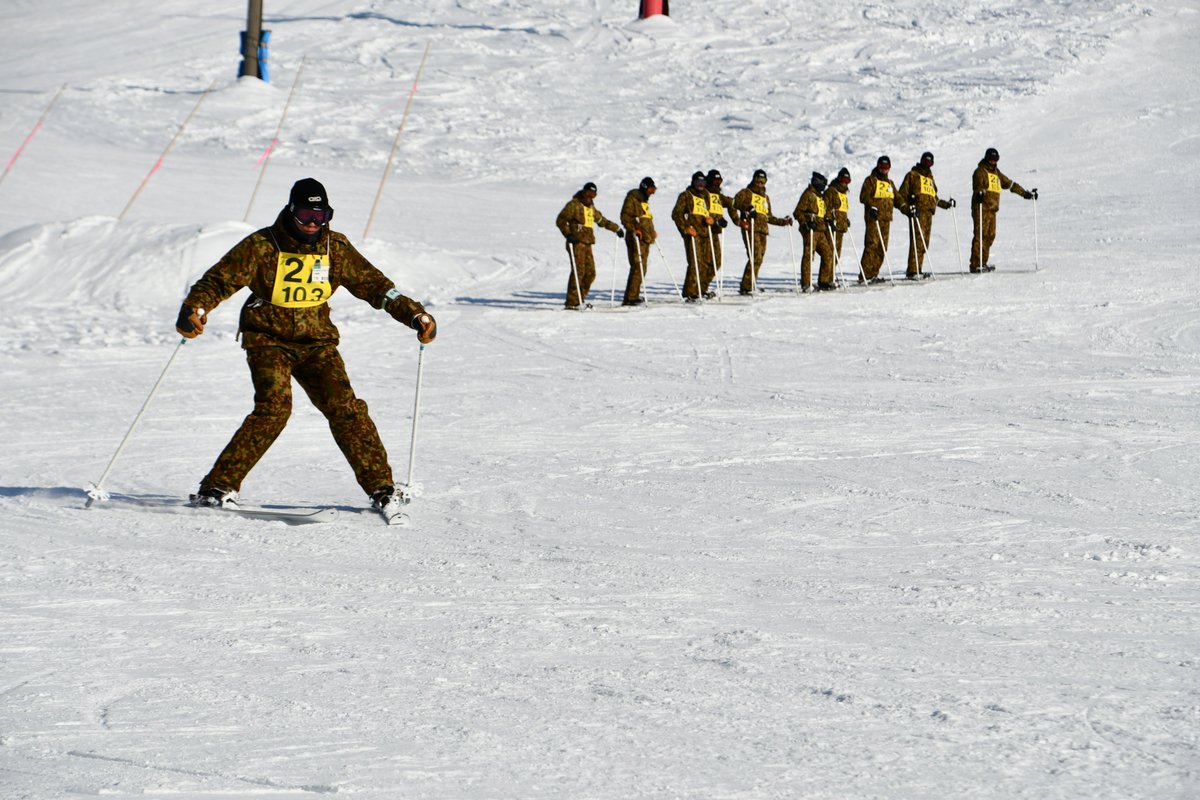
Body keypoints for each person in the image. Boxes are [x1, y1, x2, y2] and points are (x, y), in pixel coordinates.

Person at [173, 177, 437, 521]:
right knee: (274, 408)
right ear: (290, 209)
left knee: (347, 409)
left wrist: (413, 313)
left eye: (320, 214)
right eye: (305, 214)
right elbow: (217, 281)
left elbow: (376, 287)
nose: (313, 222)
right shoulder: (261, 246)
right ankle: (216, 488)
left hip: (317, 343)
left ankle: (382, 488)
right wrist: (194, 308)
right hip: (268, 338)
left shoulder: (335, 248)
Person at [556, 181, 624, 308]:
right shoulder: (574, 205)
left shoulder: (591, 208)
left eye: (593, 194)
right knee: (578, 272)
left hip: (587, 243)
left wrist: (616, 228)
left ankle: (579, 299)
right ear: (583, 192)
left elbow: (601, 221)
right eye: (588, 193)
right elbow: (560, 220)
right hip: (576, 243)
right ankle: (571, 302)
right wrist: (568, 234)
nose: (590, 197)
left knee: (591, 273)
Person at [970, 147, 1036, 273]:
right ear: (987, 158)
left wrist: (1025, 194)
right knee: (981, 235)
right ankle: (975, 264)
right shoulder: (980, 171)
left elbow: (1009, 184)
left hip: (992, 210)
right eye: (991, 159)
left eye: (996, 160)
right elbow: (978, 186)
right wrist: (980, 193)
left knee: (990, 236)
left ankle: (983, 262)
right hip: (981, 208)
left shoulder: (996, 173)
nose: (993, 162)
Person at [732, 169, 792, 295]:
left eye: (763, 181)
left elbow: (768, 216)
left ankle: (751, 284)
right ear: (753, 180)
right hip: (751, 229)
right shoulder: (746, 192)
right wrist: (747, 209)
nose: (760, 183)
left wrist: (783, 222)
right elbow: (734, 203)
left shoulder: (765, 198)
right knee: (756, 256)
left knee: (759, 258)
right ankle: (746, 286)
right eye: (758, 180)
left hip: (763, 231)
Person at [896, 151, 955, 279]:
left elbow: (934, 197)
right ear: (921, 161)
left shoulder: (929, 179)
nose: (927, 165)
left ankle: (918, 268)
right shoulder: (912, 175)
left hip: (928, 214)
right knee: (917, 241)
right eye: (926, 162)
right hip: (917, 213)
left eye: (930, 162)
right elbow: (901, 194)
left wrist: (946, 204)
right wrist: (907, 206)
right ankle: (912, 270)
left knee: (924, 243)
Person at [671, 171, 714, 301]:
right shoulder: (686, 195)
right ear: (693, 182)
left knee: (707, 263)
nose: (700, 185)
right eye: (698, 182)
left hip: (706, 234)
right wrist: (686, 228)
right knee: (695, 263)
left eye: (703, 182)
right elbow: (676, 214)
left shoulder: (706, 195)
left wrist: (712, 220)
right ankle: (690, 292)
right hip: (693, 234)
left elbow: (709, 213)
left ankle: (701, 290)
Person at [793, 172, 835, 291]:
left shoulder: (820, 197)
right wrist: (805, 223)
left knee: (828, 254)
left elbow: (823, 213)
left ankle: (823, 281)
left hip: (821, 230)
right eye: (823, 184)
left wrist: (829, 220)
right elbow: (797, 212)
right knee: (808, 255)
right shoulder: (808, 195)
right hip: (811, 230)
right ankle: (806, 284)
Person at [859, 155, 898, 283]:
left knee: (882, 247)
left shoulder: (890, 184)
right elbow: (863, 196)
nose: (884, 170)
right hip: (874, 218)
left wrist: (906, 207)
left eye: (886, 168)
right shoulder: (871, 180)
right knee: (872, 245)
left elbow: (898, 198)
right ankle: (865, 275)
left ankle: (874, 273)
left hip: (886, 219)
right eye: (882, 167)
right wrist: (872, 207)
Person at [619, 177, 658, 306]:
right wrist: (635, 229)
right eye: (651, 189)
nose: (652, 193)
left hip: (645, 239)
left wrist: (652, 232)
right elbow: (625, 216)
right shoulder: (633, 198)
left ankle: (633, 295)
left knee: (642, 268)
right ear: (645, 187)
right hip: (635, 238)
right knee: (637, 266)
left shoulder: (644, 202)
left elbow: (645, 219)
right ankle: (630, 298)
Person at [702, 169, 737, 299]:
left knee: (716, 261)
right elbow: (701, 211)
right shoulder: (703, 193)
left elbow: (731, 202)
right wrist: (716, 220)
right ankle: (695, 290)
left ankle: (702, 287)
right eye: (715, 181)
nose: (717, 183)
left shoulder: (717, 195)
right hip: (704, 231)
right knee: (704, 261)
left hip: (715, 232)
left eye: (720, 181)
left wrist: (739, 217)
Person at [824, 167, 852, 280]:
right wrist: (829, 219)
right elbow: (824, 207)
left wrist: (845, 220)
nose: (845, 183)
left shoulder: (843, 194)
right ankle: (826, 278)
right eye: (843, 180)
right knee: (830, 253)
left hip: (840, 228)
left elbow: (842, 209)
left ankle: (831, 275)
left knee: (836, 254)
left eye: (847, 181)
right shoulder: (831, 191)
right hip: (832, 227)